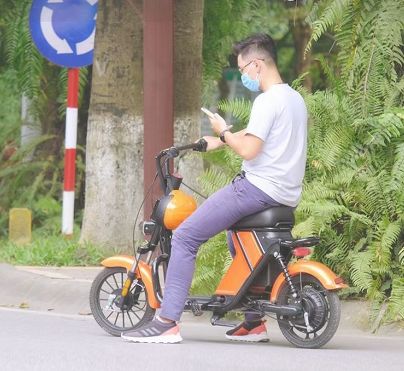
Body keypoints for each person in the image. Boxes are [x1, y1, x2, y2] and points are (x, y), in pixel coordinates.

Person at [121, 33, 308, 344]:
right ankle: (253, 321)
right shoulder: (293, 99)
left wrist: (224, 131)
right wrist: (218, 140)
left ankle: (166, 322)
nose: (244, 75)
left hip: (256, 189)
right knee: (238, 237)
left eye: (243, 69)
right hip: (285, 195)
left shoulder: (266, 100)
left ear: (257, 65)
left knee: (185, 236)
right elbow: (256, 136)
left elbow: (248, 150)